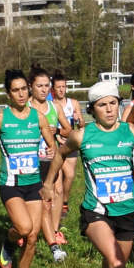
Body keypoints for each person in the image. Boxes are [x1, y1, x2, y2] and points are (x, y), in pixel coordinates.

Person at [43, 81, 134, 268]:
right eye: (103, 105)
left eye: (113, 103)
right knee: (116, 265)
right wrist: (48, 183)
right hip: (96, 211)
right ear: (92, 109)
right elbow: (60, 153)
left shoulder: (131, 133)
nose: (110, 109)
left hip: (126, 211)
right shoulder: (82, 135)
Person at [0, 69, 59, 268]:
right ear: (8, 93)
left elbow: (53, 146)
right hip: (10, 183)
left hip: (34, 183)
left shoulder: (38, 117)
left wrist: (52, 151)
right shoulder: (0, 118)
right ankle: (9, 242)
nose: (21, 94)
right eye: (16, 90)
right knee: (23, 228)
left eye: (24, 89)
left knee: (32, 236)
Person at [29, 67, 71, 263]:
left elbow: (69, 129)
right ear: (31, 87)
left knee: (56, 193)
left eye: (47, 86)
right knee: (38, 200)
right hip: (30, 161)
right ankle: (35, 233)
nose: (44, 89)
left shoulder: (55, 108)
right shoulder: (25, 108)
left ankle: (53, 233)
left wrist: (58, 131)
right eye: (40, 86)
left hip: (51, 159)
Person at [49, 71, 84, 247]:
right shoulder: (51, 105)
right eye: (58, 87)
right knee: (59, 180)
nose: (62, 90)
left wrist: (79, 120)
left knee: (69, 175)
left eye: (64, 87)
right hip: (56, 145)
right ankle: (57, 205)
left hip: (70, 144)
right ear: (53, 89)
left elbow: (81, 126)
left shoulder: (74, 103)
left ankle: (64, 202)